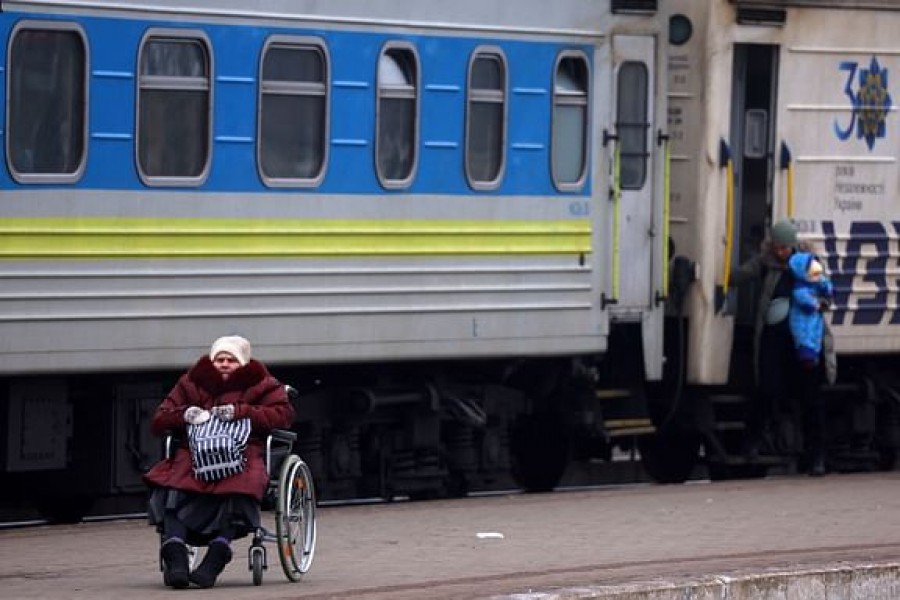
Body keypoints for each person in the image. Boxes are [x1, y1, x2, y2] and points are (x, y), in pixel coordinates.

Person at [143, 335, 295, 589]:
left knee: (242, 484)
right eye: (219, 359)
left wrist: (242, 412)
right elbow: (160, 419)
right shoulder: (191, 383)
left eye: (231, 360)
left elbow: (282, 416)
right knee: (173, 484)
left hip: (243, 451)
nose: (224, 364)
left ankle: (217, 555)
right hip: (194, 452)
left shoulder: (265, 385)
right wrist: (186, 414)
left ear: (244, 362)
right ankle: (176, 554)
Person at [732, 219, 835, 476]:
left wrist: (814, 304)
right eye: (776, 248)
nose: (780, 253)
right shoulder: (765, 263)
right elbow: (740, 275)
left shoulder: (809, 264)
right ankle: (752, 443)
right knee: (767, 390)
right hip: (774, 338)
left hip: (804, 341)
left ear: (793, 245)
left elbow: (826, 294)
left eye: (784, 248)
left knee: (811, 399)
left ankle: (817, 456)